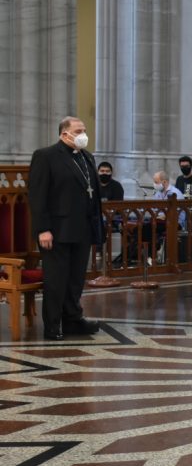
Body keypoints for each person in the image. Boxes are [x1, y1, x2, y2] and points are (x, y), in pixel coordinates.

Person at [28, 116, 106, 340]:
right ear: (65, 134)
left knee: (75, 279)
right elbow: (38, 195)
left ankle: (73, 319)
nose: (83, 134)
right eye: (79, 130)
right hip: (56, 230)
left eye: (84, 130)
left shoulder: (87, 157)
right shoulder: (46, 156)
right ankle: (53, 325)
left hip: (82, 228)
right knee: (57, 280)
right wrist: (43, 228)